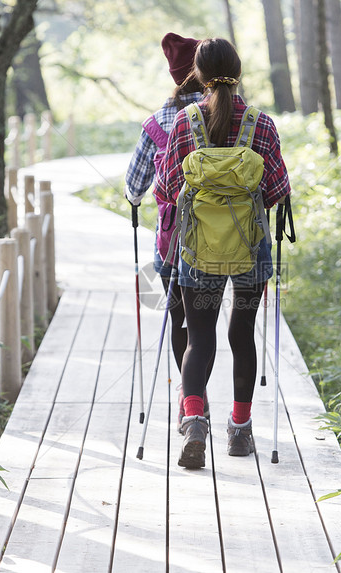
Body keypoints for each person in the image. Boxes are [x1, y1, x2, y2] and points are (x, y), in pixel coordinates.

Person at [154, 38, 291, 469]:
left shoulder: (184, 122)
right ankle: (240, 429)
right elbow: (277, 192)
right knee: (242, 335)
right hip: (249, 251)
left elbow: (166, 190)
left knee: (199, 339)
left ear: (197, 74)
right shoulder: (261, 125)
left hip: (197, 251)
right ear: (239, 69)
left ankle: (194, 420)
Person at [124, 32, 205, 386]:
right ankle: (197, 400)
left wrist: (135, 200)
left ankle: (192, 404)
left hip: (173, 243)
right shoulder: (227, 113)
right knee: (208, 330)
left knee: (181, 323)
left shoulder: (158, 122)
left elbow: (134, 185)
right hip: (227, 238)